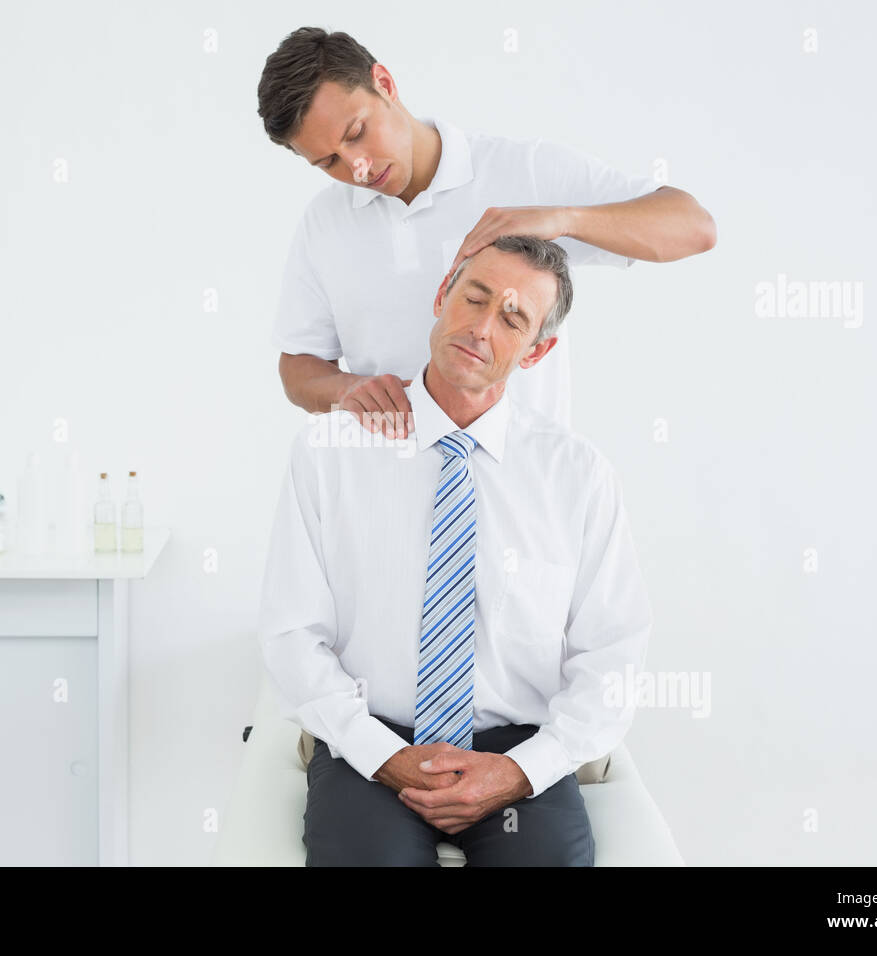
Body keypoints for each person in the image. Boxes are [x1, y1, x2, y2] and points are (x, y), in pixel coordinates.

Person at [257, 236, 653, 865]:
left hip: (517, 751)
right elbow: (291, 632)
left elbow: (612, 654)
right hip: (371, 740)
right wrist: (382, 755)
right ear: (443, 296)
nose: (481, 326)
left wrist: (522, 770)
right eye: (474, 297)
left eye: (513, 318)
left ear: (537, 350)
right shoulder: (330, 452)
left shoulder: (577, 475)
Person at [258, 26, 716, 434]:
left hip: (523, 490)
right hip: (389, 490)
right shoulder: (325, 223)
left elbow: (694, 227)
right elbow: (297, 365)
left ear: (385, 83)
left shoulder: (527, 171)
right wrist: (347, 390)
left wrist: (564, 218)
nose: (356, 167)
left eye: (357, 132)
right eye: (328, 162)